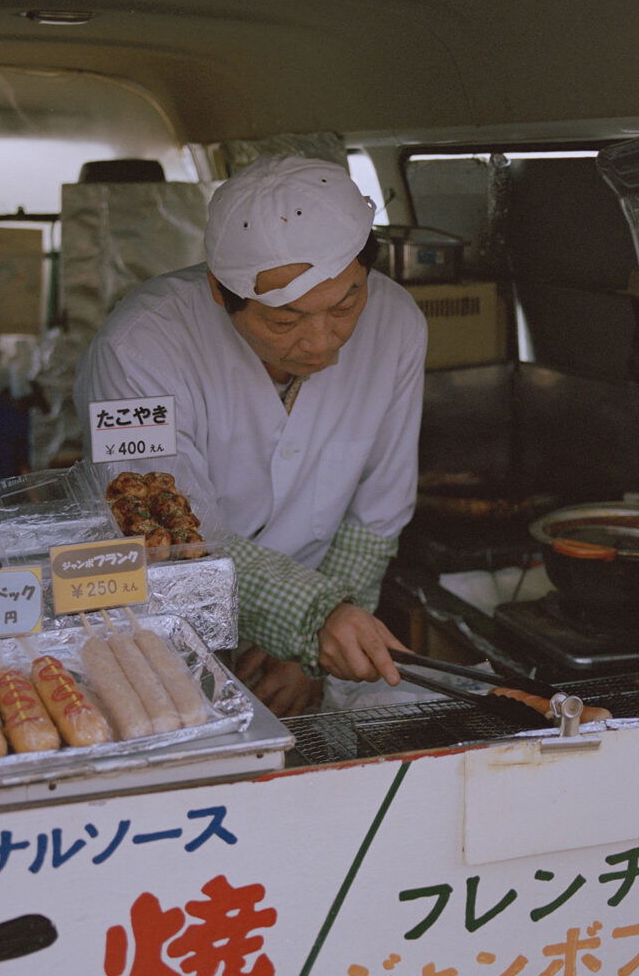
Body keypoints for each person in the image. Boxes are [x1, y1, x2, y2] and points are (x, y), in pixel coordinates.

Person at [73, 155, 427, 715]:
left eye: (345, 305)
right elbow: (164, 531)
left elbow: (374, 520)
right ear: (220, 289)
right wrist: (314, 621)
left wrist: (307, 654)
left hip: (305, 646)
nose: (321, 343)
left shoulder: (397, 323)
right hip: (163, 633)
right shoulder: (140, 346)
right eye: (284, 321)